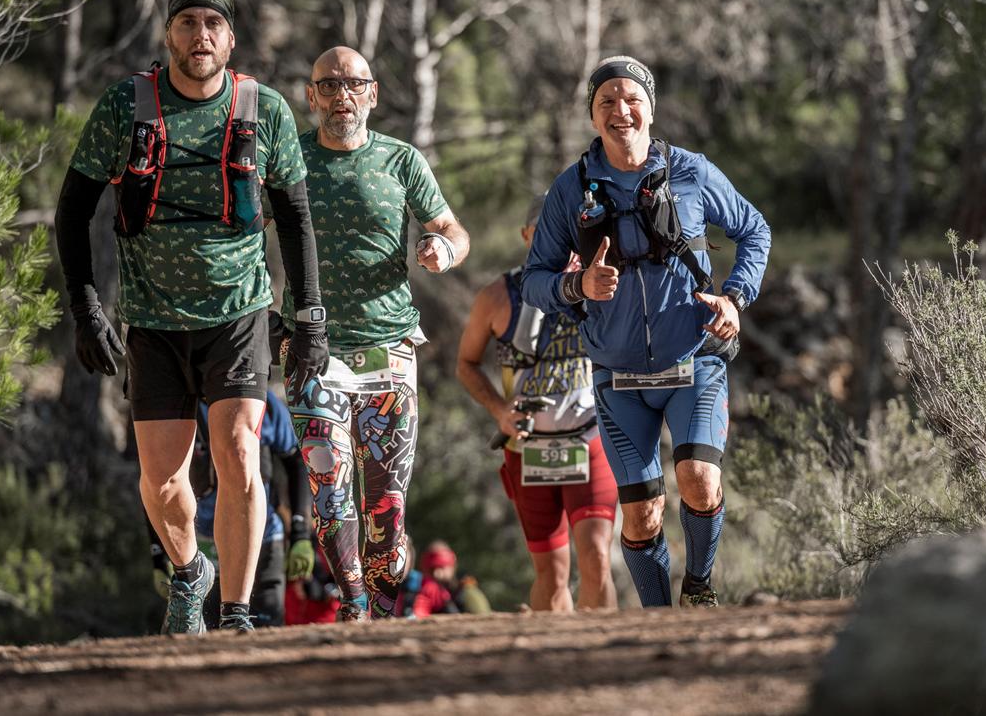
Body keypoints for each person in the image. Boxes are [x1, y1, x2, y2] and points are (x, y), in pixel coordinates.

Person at [55, 0, 329, 634]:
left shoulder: (264, 110)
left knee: (239, 452)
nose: (199, 35)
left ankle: (234, 612)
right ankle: (189, 574)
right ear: (168, 34)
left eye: (213, 24)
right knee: (163, 481)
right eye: (187, 23)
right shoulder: (126, 107)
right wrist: (87, 310)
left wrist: (309, 316)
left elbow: (293, 217)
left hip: (238, 316)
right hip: (150, 320)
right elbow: (72, 210)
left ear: (231, 38)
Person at [521, 55, 771, 608]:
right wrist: (577, 287)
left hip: (695, 360)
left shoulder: (691, 171)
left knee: (699, 477)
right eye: (606, 101)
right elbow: (535, 280)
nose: (620, 111)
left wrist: (736, 297)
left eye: (631, 99)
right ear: (593, 117)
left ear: (651, 109)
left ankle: (699, 590)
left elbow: (755, 230)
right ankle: (658, 623)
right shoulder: (570, 189)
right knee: (640, 513)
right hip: (618, 374)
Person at [283, 45, 470, 622]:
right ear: (312, 96)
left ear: (372, 94)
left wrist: (444, 249)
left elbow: (452, 229)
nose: (342, 95)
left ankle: (386, 615)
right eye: (329, 85)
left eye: (353, 84)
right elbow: (245, 226)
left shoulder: (401, 160)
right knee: (328, 491)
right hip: (314, 348)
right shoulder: (289, 161)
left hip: (389, 352)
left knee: (384, 506)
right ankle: (355, 603)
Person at [456, 194, 618, 612]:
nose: (558, 241)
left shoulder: (602, 285)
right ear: (527, 235)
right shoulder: (497, 297)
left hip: (592, 442)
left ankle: (604, 658)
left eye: (566, 231)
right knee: (552, 572)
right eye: (545, 230)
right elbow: (466, 364)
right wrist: (499, 411)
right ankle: (553, 659)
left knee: (597, 555)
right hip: (528, 451)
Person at [149, 390, 315, 627]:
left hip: (264, 538)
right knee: (211, 632)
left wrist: (300, 534)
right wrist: (160, 553)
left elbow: (296, 461)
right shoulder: (181, 406)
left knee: (267, 629)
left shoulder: (262, 401)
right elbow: (157, 484)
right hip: (200, 546)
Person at [411, 541, 492, 618]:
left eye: (441, 567)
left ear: (452, 566)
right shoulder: (419, 592)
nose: (436, 573)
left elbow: (484, 620)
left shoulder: (467, 593)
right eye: (431, 569)